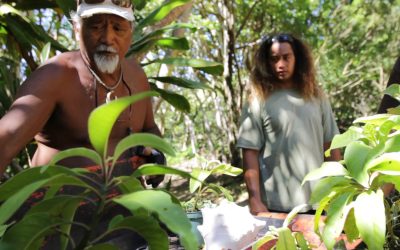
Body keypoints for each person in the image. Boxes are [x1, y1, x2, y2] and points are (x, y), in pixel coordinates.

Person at [0, 1, 164, 248]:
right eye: (96, 27)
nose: (107, 38)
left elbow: (149, 130)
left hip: (125, 224)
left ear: (131, 31)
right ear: (77, 29)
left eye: (118, 28)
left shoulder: (136, 77)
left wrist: (157, 155)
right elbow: (5, 138)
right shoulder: (56, 76)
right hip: (59, 231)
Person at [237, 34, 341, 215]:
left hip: (319, 203)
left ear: (297, 58)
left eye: (286, 57)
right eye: (275, 59)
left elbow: (331, 146)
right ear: (267, 62)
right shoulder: (258, 98)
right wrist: (254, 199)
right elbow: (249, 151)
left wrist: (339, 193)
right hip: (275, 206)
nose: (281, 64)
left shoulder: (316, 96)